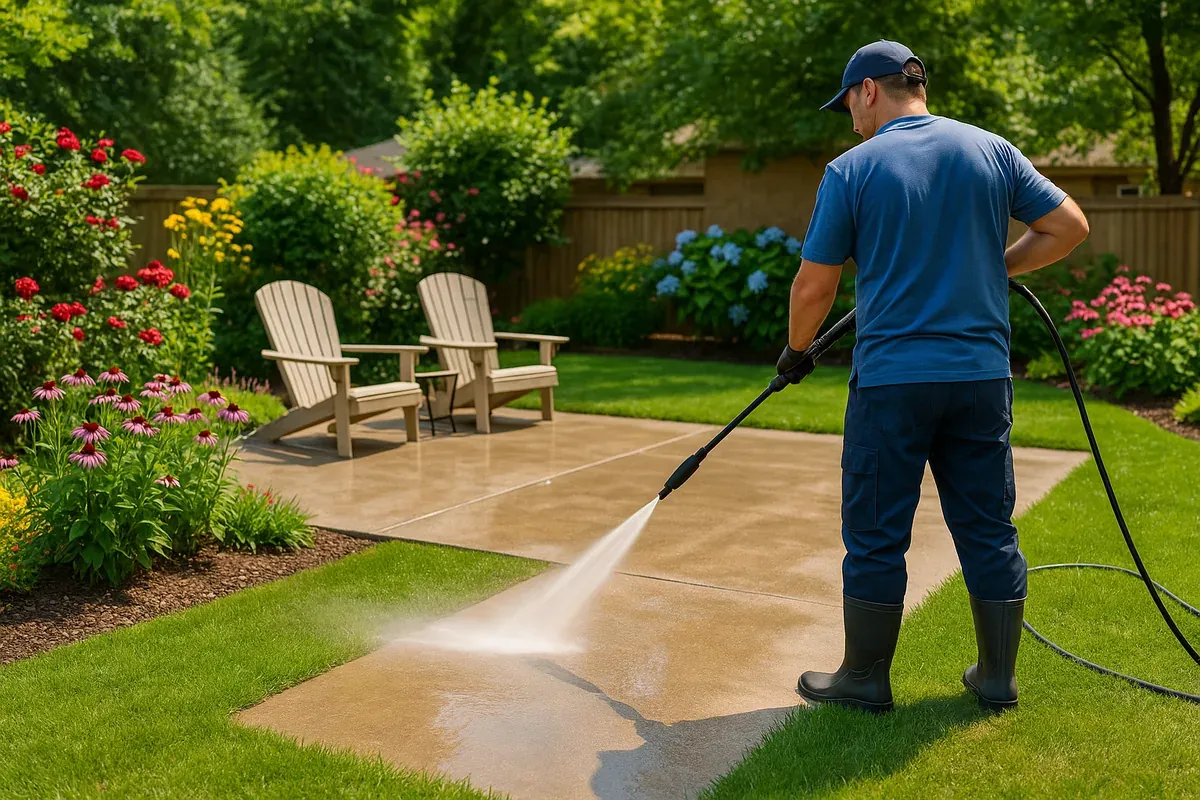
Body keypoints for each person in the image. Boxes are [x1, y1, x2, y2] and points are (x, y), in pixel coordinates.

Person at [777, 40, 1089, 714]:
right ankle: (997, 678)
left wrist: (796, 352)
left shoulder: (851, 168)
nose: (850, 121)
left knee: (877, 529)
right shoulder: (992, 151)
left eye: (848, 106)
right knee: (987, 525)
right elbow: (1068, 226)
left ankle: (864, 679)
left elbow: (814, 286)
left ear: (868, 91)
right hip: (980, 376)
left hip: (893, 381)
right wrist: (996, 264)